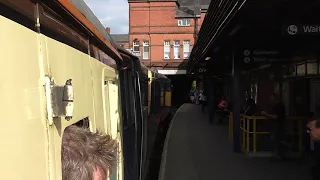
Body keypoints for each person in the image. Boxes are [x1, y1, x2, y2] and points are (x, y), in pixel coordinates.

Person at [261, 93, 286, 160]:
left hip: (278, 125)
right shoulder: (275, 106)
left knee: (277, 139)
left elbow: (277, 116)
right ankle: (277, 154)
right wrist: (268, 117)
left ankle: (279, 155)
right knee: (275, 139)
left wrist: (267, 115)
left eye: (271, 98)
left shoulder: (279, 106)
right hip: (275, 124)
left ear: (275, 98)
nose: (270, 99)